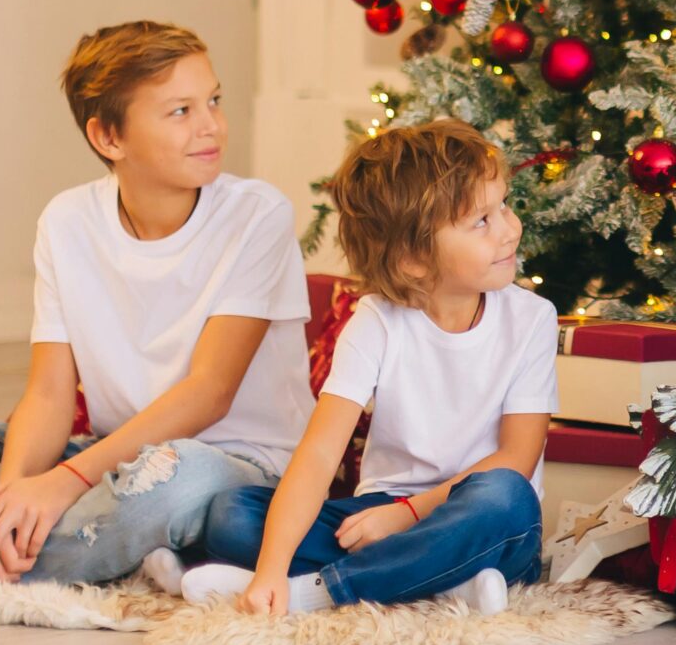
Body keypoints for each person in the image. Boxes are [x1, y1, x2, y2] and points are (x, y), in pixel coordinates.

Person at [0, 22, 314, 588]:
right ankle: (63, 547)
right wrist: (16, 492)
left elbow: (210, 392)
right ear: (109, 139)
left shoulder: (257, 215)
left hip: (230, 467)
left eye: (213, 101)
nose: (211, 126)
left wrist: (66, 482)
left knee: (171, 484)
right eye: (180, 111)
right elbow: (49, 393)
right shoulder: (66, 222)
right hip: (109, 461)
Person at [184, 120, 554, 615]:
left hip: (478, 517)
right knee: (233, 515)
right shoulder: (377, 321)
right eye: (482, 221)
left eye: (503, 206)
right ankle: (442, 582)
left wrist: (406, 516)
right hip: (378, 512)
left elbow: (517, 459)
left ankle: (319, 591)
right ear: (413, 261)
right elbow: (318, 455)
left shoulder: (532, 318)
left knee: (506, 497)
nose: (510, 228)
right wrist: (271, 564)